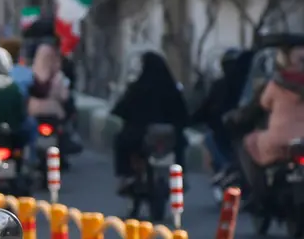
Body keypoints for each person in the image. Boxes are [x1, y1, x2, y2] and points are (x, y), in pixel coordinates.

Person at [110, 51, 188, 193]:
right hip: (170, 136)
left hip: (141, 135)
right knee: (180, 145)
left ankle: (127, 175)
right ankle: (180, 177)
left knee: (121, 142)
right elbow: (183, 114)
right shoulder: (171, 89)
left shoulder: (138, 87)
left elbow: (122, 108)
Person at [239, 45, 304, 208]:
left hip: (279, 140)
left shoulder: (277, 84)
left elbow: (263, 104)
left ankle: (258, 194)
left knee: (249, 142)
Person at [191, 48, 248, 177]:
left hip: (228, 133)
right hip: (230, 132)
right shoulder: (247, 83)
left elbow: (205, 109)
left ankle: (225, 169)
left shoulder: (221, 85)